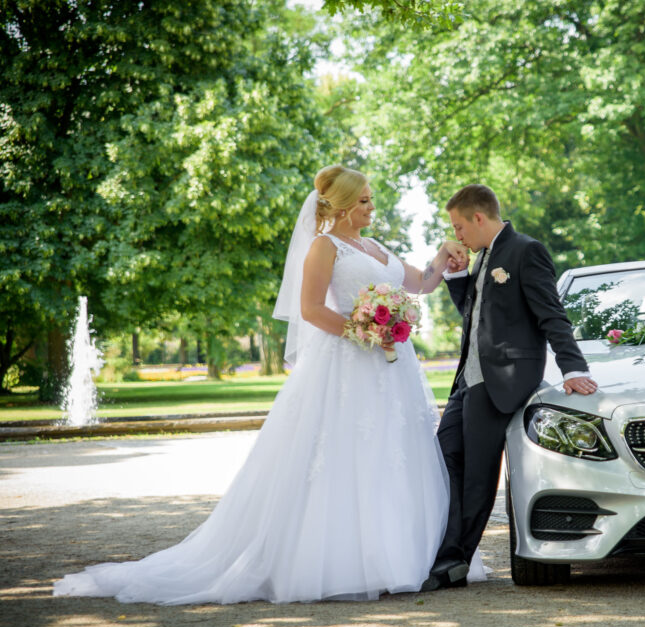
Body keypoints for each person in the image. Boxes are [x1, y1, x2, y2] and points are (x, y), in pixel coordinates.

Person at [53, 164, 478, 604]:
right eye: (365, 200)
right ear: (346, 205)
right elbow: (312, 310)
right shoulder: (323, 247)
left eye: (371, 199)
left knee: (393, 453)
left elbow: (422, 284)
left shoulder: (372, 246)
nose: (373, 206)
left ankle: (401, 559)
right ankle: (344, 563)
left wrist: (444, 256)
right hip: (349, 365)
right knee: (345, 455)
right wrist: (364, 330)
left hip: (391, 371)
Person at [421, 184, 598, 591]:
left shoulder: (525, 250)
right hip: (466, 381)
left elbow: (552, 314)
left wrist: (573, 369)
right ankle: (441, 549)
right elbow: (476, 316)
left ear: (478, 218)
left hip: (500, 381)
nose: (457, 235)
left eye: (459, 226)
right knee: (442, 461)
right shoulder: (481, 258)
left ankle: (453, 563)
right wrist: (455, 275)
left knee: (478, 477)